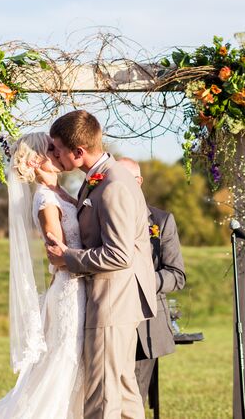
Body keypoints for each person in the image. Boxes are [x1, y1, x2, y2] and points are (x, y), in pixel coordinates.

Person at [46, 110, 157, 419]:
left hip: (112, 301)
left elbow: (119, 255)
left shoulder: (113, 185)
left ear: (78, 152)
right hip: (117, 302)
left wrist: (66, 258)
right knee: (123, 393)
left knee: (102, 396)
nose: (53, 154)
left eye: (57, 148)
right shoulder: (101, 178)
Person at [0, 132, 85, 418]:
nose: (58, 151)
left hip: (76, 289)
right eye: (52, 148)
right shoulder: (44, 200)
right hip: (70, 292)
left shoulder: (58, 193)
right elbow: (61, 255)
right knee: (64, 366)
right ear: (38, 159)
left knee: (71, 367)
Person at [118, 157, 186, 408]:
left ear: (139, 182)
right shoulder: (99, 214)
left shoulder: (161, 220)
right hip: (107, 320)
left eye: (126, 180)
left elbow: (176, 275)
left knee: (132, 400)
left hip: (144, 327)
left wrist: (140, 281)